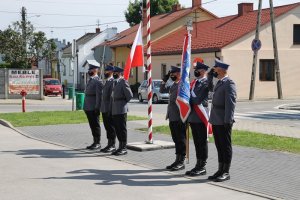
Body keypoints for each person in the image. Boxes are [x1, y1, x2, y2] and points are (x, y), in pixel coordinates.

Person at [207, 59, 237, 182]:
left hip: (224, 120)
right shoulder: (220, 82)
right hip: (216, 119)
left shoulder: (229, 83)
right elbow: (209, 89)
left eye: (216, 69)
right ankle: (220, 169)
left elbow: (231, 104)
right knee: (219, 145)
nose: (215, 71)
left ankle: (226, 171)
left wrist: (228, 120)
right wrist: (209, 76)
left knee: (226, 146)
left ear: (222, 70)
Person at [185, 60, 210, 176]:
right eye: (196, 69)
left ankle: (202, 166)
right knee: (196, 142)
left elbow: (197, 100)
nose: (196, 71)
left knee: (202, 142)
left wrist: (189, 95)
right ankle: (198, 164)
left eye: (198, 70)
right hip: (193, 117)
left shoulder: (206, 84)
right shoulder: (194, 83)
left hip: (201, 117)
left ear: (203, 71)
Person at [160, 66, 186, 171]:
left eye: (174, 74)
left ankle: (181, 161)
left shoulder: (182, 85)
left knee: (181, 139)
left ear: (179, 74)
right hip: (172, 116)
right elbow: (162, 90)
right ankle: (177, 159)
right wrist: (164, 80)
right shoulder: (174, 85)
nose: (172, 75)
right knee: (176, 139)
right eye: (171, 74)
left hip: (179, 117)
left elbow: (184, 102)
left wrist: (182, 117)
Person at [111, 66, 133, 156]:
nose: (114, 74)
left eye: (116, 73)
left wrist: (122, 102)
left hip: (121, 108)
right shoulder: (115, 82)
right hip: (115, 108)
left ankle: (124, 147)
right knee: (117, 129)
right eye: (114, 73)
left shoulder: (123, 82)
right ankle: (120, 146)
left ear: (120, 73)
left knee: (122, 129)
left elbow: (130, 95)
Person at [84, 64, 103, 150]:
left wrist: (97, 107)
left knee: (95, 125)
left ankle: (97, 142)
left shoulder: (98, 81)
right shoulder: (90, 80)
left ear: (95, 70)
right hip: (88, 106)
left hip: (93, 107)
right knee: (92, 125)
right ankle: (94, 141)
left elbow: (99, 96)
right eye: (89, 70)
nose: (89, 72)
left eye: (91, 70)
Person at [100, 65, 117, 153]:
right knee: (107, 127)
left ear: (111, 72)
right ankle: (109, 144)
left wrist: (110, 110)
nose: (105, 73)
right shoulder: (106, 82)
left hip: (109, 109)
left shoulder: (112, 82)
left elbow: (111, 98)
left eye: (106, 71)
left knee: (111, 127)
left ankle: (112, 145)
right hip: (104, 108)